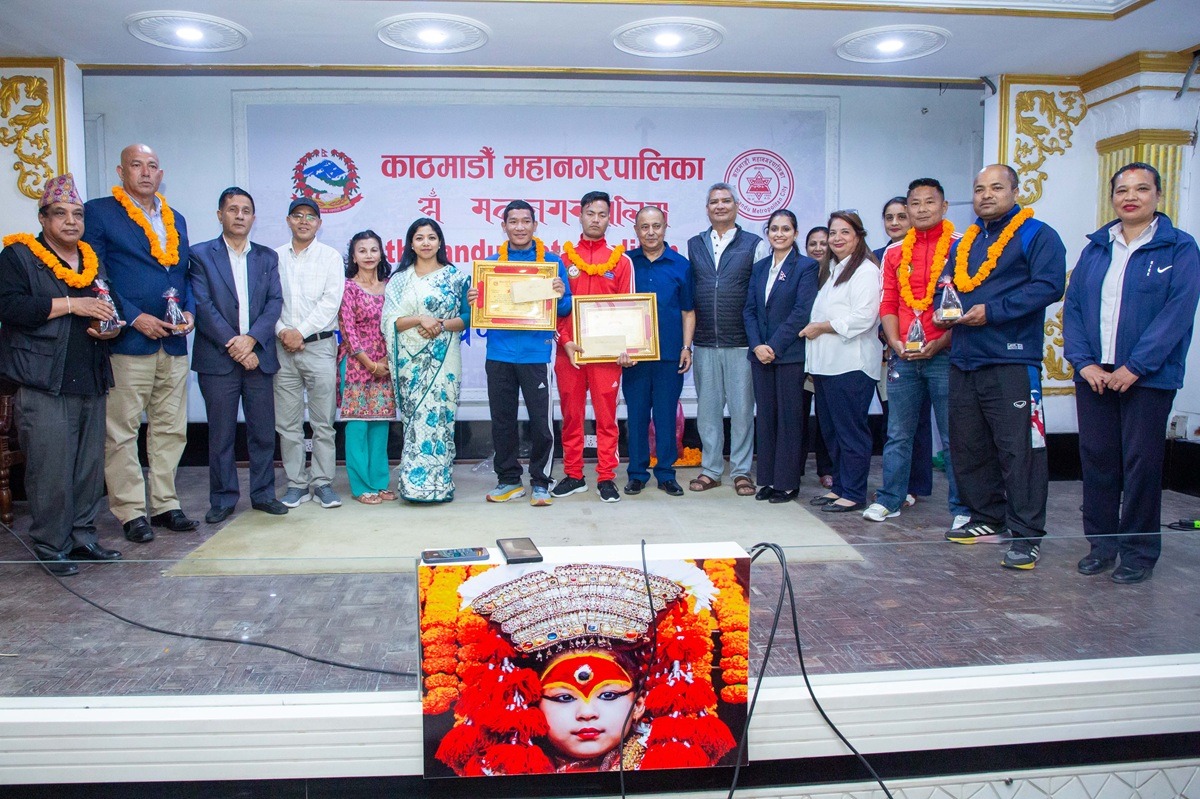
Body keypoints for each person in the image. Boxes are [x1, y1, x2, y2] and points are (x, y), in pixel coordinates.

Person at [436, 562, 738, 775]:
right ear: (533, 704)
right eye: (564, 697)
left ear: (639, 704)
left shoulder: (665, 767)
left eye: (608, 695)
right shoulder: (497, 770)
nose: (587, 713)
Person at [1063, 162, 1200, 584]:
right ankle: (1102, 546)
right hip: (1095, 375)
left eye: (1142, 189)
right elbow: (1074, 308)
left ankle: (1139, 552)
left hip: (1148, 377)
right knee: (1098, 461)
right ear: (1112, 197)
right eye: (1122, 190)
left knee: (1141, 464)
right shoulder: (1096, 247)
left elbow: (1177, 314)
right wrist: (1083, 362)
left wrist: (1135, 366)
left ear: (1158, 195)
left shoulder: (1179, 248)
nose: (1131, 197)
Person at [940, 164, 1067, 571]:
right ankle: (986, 517)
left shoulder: (1037, 234)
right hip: (964, 358)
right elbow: (948, 286)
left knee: (1020, 450)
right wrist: (945, 309)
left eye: (996, 187)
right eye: (979, 189)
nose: (986, 195)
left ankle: (1027, 534)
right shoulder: (966, 241)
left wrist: (992, 311)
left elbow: (1049, 286)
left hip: (1012, 359)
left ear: (1015, 191)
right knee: (969, 445)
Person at [0, 174, 123, 575]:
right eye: (60, 214)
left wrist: (111, 327)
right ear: (43, 218)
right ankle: (50, 545)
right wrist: (72, 305)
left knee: (88, 468)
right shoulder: (19, 256)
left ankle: (83, 537)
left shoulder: (91, 259)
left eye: (77, 214)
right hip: (43, 381)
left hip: (91, 376)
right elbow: (11, 308)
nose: (71, 221)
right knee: (50, 469)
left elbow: (109, 305)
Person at [82, 143, 198, 544]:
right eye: (137, 165)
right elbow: (97, 274)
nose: (146, 172)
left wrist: (190, 311)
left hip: (173, 342)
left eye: (152, 166)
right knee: (122, 431)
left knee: (171, 429)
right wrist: (133, 316)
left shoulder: (175, 217)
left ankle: (165, 504)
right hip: (129, 341)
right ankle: (131, 511)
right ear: (121, 171)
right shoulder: (100, 213)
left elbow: (183, 275)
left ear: (161, 175)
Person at [865, 179, 970, 527]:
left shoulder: (962, 246)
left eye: (929, 202)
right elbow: (888, 302)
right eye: (915, 203)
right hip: (904, 357)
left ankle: (962, 508)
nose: (922, 209)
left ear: (944, 207)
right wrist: (894, 342)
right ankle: (890, 499)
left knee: (954, 435)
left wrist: (943, 340)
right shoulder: (894, 253)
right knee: (898, 433)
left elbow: (967, 302)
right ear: (908, 209)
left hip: (946, 354)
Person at [189, 187, 288, 522]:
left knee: (262, 432)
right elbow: (203, 306)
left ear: (253, 218)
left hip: (259, 356)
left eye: (246, 210)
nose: (240, 215)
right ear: (220, 215)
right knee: (221, 434)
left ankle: (263, 494)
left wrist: (252, 340)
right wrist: (236, 344)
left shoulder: (266, 257)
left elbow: (274, 302)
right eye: (233, 209)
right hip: (218, 359)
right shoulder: (200, 255)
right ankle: (222, 499)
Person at [470, 201, 570, 507]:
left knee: (541, 423)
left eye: (526, 221)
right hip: (499, 354)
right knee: (502, 421)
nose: (520, 227)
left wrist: (559, 293)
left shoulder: (551, 263)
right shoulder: (491, 266)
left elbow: (565, 308)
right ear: (504, 227)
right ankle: (509, 480)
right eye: (513, 221)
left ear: (535, 225)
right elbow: (480, 312)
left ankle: (541, 481)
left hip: (536, 355)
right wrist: (475, 299)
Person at [686, 183, 769, 498]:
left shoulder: (754, 244)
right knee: (708, 412)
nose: (719, 206)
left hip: (741, 342)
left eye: (725, 201)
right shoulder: (695, 244)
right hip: (705, 341)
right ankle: (711, 470)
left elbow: (761, 295)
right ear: (707, 209)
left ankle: (741, 471)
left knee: (742, 411)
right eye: (714, 202)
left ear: (736, 205)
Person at [552, 191, 634, 504]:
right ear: (580, 215)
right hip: (569, 351)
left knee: (606, 417)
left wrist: (627, 347)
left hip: (607, 354)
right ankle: (573, 474)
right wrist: (565, 341)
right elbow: (552, 308)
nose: (595, 219)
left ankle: (606, 477)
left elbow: (630, 309)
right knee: (571, 416)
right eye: (590, 213)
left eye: (602, 214)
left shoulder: (621, 261)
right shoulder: (561, 260)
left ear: (610, 218)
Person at [381, 218, 469, 503]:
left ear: (440, 242)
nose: (426, 243)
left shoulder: (455, 277)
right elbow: (390, 321)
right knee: (415, 421)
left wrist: (440, 325)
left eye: (431, 237)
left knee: (441, 418)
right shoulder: (399, 280)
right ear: (411, 244)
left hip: (444, 360)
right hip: (410, 363)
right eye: (420, 238)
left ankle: (439, 486)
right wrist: (421, 318)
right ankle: (413, 487)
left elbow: (467, 318)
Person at [802, 211, 882, 513]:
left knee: (851, 432)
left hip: (851, 366)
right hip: (826, 366)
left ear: (858, 236)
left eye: (844, 232)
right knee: (832, 432)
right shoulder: (834, 269)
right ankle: (840, 487)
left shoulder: (865, 270)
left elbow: (863, 317)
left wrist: (822, 327)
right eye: (833, 233)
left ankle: (854, 492)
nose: (837, 238)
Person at [744, 209, 819, 504]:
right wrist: (757, 346)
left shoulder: (806, 267)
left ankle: (786, 484)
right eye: (774, 229)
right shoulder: (760, 267)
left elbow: (801, 312)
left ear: (795, 233)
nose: (779, 234)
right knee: (766, 418)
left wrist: (773, 346)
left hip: (788, 355)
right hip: (759, 355)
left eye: (785, 229)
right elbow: (749, 310)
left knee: (789, 419)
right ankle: (767, 479)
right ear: (767, 233)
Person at [274, 198, 345, 509]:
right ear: (289, 220)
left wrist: (299, 332)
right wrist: (283, 332)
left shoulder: (330, 257)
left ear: (319, 223)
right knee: (287, 422)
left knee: (322, 421)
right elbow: (267, 302)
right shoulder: (274, 257)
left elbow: (331, 302)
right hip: (282, 348)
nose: (304, 221)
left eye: (311, 217)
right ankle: (296, 483)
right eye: (298, 216)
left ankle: (323, 482)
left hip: (319, 346)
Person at [623, 207, 694, 497]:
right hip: (634, 357)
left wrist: (686, 347)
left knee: (666, 417)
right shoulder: (626, 263)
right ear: (636, 230)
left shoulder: (681, 265)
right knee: (637, 416)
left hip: (669, 355)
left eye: (656, 226)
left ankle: (666, 473)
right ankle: (637, 474)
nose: (650, 232)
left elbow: (688, 311)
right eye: (644, 227)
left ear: (665, 228)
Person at [873, 197, 934, 505]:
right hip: (887, 352)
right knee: (895, 424)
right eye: (889, 217)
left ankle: (916, 485)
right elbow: (879, 304)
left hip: (926, 349)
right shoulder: (877, 256)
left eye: (901, 216)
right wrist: (887, 339)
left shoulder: (931, 251)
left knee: (919, 421)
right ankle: (894, 488)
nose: (895, 222)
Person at [339, 230, 397, 505]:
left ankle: (379, 482)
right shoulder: (347, 287)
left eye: (374, 250)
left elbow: (396, 323)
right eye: (362, 251)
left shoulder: (390, 287)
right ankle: (361, 485)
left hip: (385, 363)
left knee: (380, 425)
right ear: (353, 257)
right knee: (358, 426)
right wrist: (370, 364)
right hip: (356, 362)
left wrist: (385, 362)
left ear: (381, 254)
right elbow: (348, 330)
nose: (368, 255)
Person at [802, 226, 834, 489]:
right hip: (800, 357)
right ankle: (795, 466)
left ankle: (827, 468)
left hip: (828, 357)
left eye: (824, 243)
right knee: (798, 416)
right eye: (813, 243)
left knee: (827, 416)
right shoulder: (802, 273)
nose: (818, 248)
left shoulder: (837, 276)